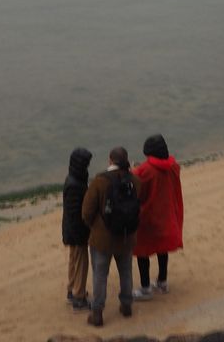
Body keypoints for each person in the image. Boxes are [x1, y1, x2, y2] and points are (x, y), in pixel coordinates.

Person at [82, 146, 141, 327]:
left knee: (100, 274)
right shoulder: (135, 181)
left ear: (110, 160)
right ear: (126, 160)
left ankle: (98, 312)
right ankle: (126, 305)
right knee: (126, 271)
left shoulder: (100, 181)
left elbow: (87, 211)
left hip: (103, 238)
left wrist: (95, 226)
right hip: (126, 235)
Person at [132, 134, 184, 299]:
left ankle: (145, 288)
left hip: (148, 215)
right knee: (162, 249)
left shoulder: (145, 170)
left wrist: (133, 170)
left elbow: (136, 186)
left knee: (142, 251)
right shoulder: (173, 166)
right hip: (166, 213)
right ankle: (162, 282)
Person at [62, 147, 92, 310]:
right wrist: (81, 234)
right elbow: (74, 213)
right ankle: (79, 297)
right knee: (81, 263)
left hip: (72, 230)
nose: (88, 166)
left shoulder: (73, 179)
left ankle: (72, 290)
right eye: (86, 164)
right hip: (76, 231)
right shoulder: (75, 185)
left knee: (74, 261)